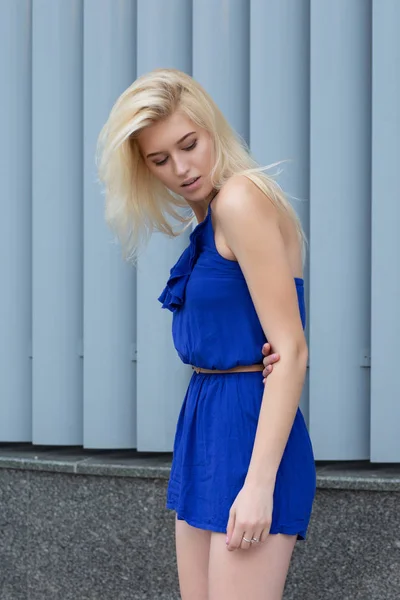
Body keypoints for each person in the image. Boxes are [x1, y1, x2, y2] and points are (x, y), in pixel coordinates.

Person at [97, 68, 316, 600]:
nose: (181, 168)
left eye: (189, 144)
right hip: (205, 428)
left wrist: (259, 484)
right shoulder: (210, 221)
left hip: (247, 429)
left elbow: (290, 349)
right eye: (160, 159)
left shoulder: (241, 199)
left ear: (210, 126)